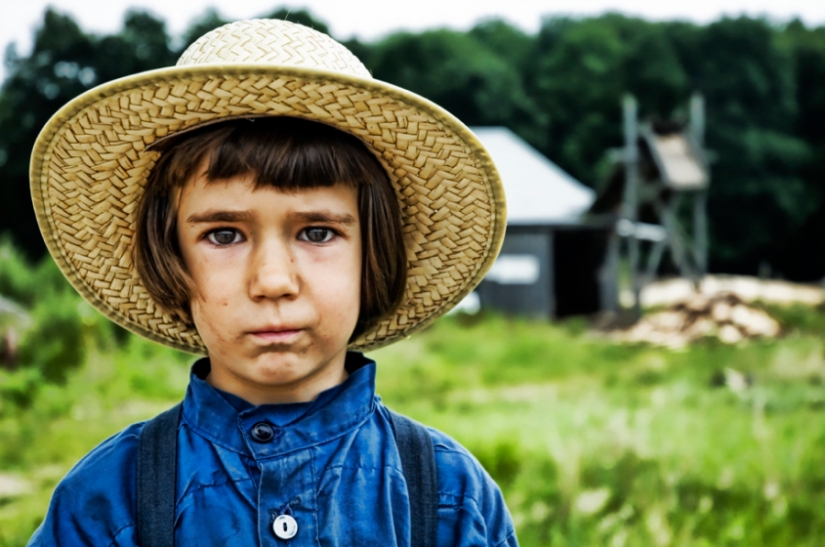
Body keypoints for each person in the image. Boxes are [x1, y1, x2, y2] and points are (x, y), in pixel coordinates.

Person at [27, 18, 513, 547]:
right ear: (172, 257)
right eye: (225, 235)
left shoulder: (449, 495)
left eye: (319, 232)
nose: (273, 281)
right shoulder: (104, 500)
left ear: (373, 255)